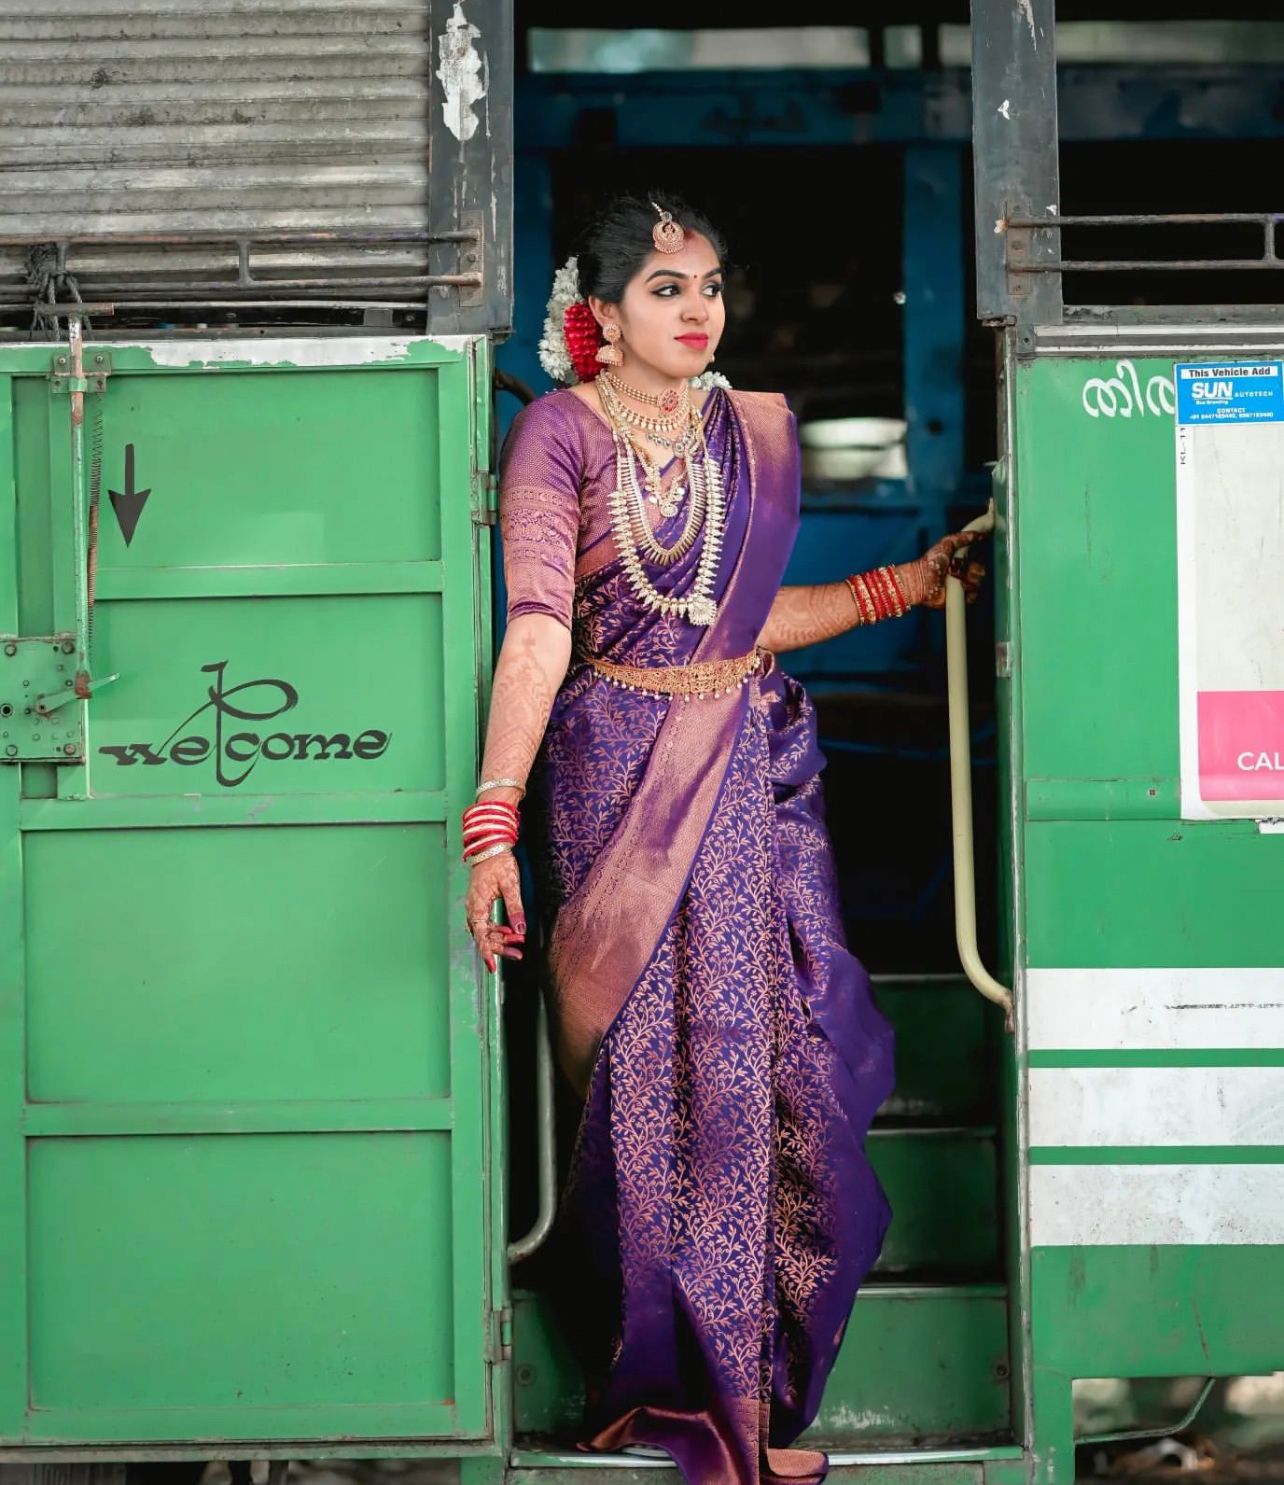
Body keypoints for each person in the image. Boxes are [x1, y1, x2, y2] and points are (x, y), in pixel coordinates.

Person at [462, 193, 984, 1485]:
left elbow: (736, 627)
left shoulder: (739, 435)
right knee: (640, 1087)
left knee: (748, 1074)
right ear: (597, 314)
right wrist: (490, 823)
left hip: (739, 777)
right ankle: (649, 1384)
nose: (698, 309)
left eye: (707, 285)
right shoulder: (558, 435)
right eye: (663, 288)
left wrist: (903, 586)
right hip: (607, 780)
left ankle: (740, 1398)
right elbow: (536, 628)